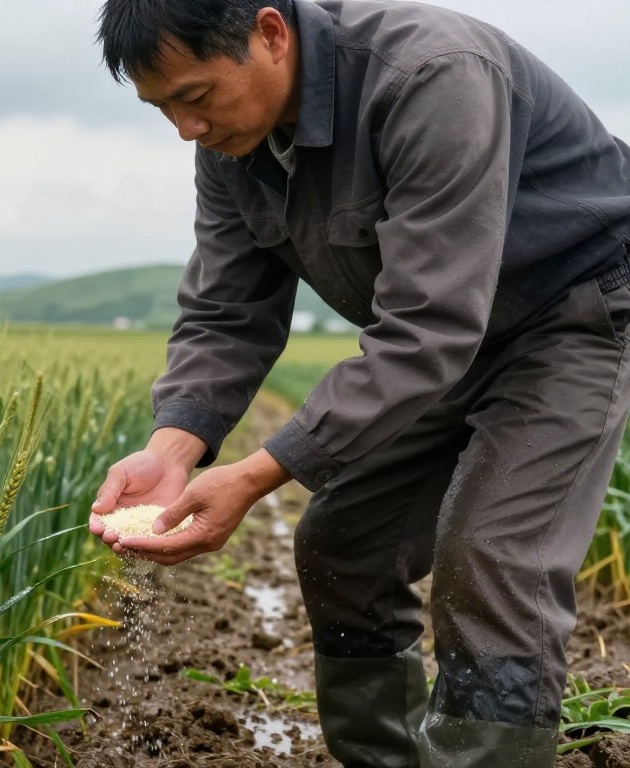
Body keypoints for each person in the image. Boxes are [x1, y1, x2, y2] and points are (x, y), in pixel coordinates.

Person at [85, 0, 630, 765]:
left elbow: (430, 325)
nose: (185, 129)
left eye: (196, 96)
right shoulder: (232, 149)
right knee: (345, 541)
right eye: (162, 107)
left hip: (568, 313)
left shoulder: (431, 77)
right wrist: (172, 452)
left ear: (270, 33)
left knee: (492, 559)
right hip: (448, 340)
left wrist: (253, 476)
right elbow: (226, 312)